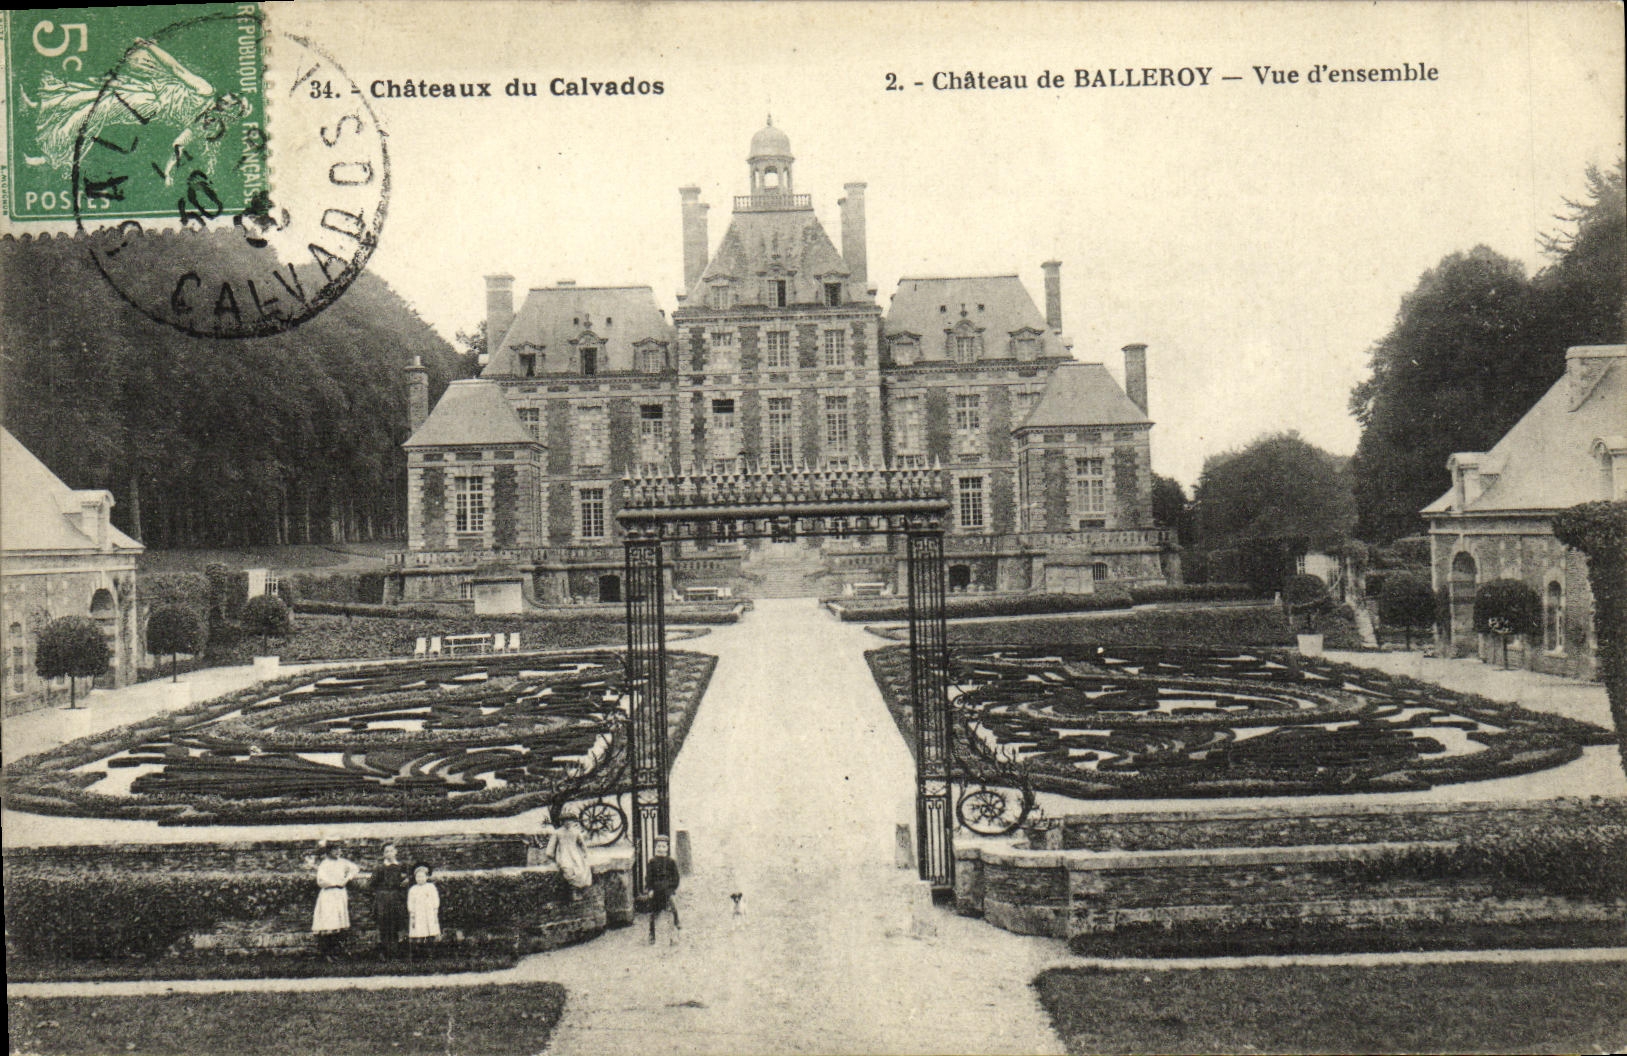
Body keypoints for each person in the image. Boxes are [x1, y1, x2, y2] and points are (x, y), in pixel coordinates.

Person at [309, 841, 361, 959]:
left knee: (338, 923)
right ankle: (326, 953)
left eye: (339, 849)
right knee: (329, 923)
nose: (338, 852)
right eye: (335, 850)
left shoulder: (343, 862)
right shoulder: (324, 864)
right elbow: (320, 881)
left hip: (340, 894)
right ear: (328, 851)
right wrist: (336, 883)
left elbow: (355, 869)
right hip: (328, 895)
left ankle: (335, 951)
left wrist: (346, 878)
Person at [369, 844, 409, 958]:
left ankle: (396, 952)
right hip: (383, 900)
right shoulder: (379, 868)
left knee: (397, 924)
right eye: (386, 851)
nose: (389, 853)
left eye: (391, 851)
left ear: (395, 852)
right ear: (383, 854)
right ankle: (385, 952)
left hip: (397, 899)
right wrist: (379, 895)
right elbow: (371, 885)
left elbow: (412, 878)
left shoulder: (401, 867)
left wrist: (404, 884)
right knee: (384, 925)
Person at [546, 815, 594, 898]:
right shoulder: (558, 832)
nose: (568, 823)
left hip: (575, 855)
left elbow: (582, 844)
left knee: (582, 870)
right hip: (563, 855)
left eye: (570, 820)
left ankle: (580, 891)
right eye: (566, 821)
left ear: (573, 822)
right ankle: (573, 893)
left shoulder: (575, 832)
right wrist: (553, 857)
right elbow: (550, 848)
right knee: (568, 871)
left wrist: (585, 853)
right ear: (562, 822)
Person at [646, 836, 681, 945]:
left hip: (667, 889)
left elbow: (676, 878)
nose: (661, 849)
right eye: (658, 846)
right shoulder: (652, 862)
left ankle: (676, 921)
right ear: (655, 848)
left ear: (667, 848)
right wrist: (650, 889)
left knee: (672, 905)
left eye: (663, 846)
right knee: (653, 913)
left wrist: (672, 888)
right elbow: (649, 877)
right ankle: (652, 933)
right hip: (656, 890)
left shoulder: (671, 862)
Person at [407, 863, 441, 955]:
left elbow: (435, 899)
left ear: (426, 877)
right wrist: (412, 912)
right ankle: (419, 952)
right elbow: (410, 902)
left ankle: (431, 951)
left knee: (430, 930)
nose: (420, 879)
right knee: (419, 931)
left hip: (429, 912)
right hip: (418, 913)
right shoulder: (413, 889)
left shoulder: (431, 887)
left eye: (422, 877)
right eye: (418, 877)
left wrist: (435, 910)